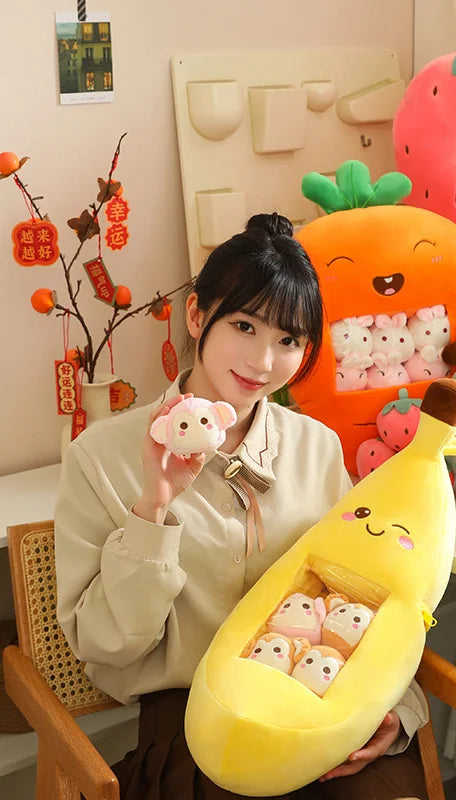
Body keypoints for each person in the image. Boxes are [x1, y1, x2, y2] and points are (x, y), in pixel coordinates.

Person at [55, 213, 429, 800]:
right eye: (244, 326)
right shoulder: (101, 457)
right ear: (197, 314)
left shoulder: (316, 446)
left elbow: (363, 589)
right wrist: (155, 508)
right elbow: (104, 644)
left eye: (289, 341)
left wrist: (395, 708)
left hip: (315, 694)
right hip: (190, 724)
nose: (263, 362)